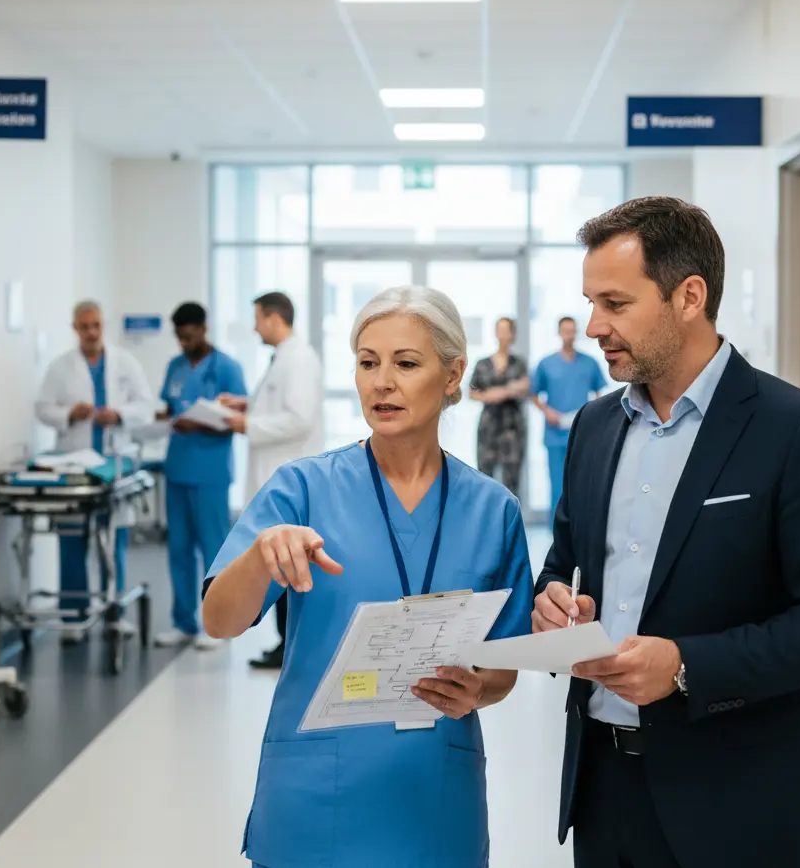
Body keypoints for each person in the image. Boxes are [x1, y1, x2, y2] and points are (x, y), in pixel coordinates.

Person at [533, 197, 800, 868]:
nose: (593, 326)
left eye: (615, 304)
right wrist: (554, 598)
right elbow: (565, 559)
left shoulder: (796, 429)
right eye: (590, 303)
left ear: (689, 297)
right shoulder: (593, 428)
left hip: (742, 806)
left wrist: (683, 667)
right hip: (602, 793)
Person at [202, 286, 533, 868]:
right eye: (367, 362)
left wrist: (478, 689)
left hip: (434, 793)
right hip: (315, 791)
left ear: (454, 374)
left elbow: (503, 665)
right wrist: (259, 557)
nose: (383, 382)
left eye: (406, 364)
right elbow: (220, 620)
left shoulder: (493, 511)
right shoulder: (302, 488)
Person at [35, 300, 155, 642]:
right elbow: (43, 408)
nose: (91, 332)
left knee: (112, 541)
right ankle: (74, 615)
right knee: (71, 542)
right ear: (75, 328)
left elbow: (146, 406)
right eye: (85, 326)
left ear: (103, 326)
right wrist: (70, 413)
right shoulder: (60, 367)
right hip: (77, 463)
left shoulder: (125, 362)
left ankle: (114, 613)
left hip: (113, 463)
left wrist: (118, 415)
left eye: (96, 325)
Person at [219, 292, 323, 671]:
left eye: (258, 318)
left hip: (288, 476)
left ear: (275, 318)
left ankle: (289, 646)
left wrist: (248, 424)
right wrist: (246, 405)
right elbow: (280, 407)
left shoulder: (300, 360)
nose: (254, 327)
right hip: (275, 475)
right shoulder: (283, 358)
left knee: (287, 565)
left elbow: (299, 418)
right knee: (280, 563)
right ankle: (285, 643)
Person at [154, 302, 247, 651]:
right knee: (178, 548)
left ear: (204, 329)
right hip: (176, 469)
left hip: (210, 473)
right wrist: (162, 418)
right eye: (178, 337)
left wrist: (203, 421)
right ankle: (183, 622)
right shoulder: (174, 367)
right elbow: (168, 407)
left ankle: (217, 625)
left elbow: (238, 420)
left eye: (189, 335)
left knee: (215, 550)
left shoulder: (227, 368)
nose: (183, 342)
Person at [531, 316, 606, 520]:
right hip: (555, 434)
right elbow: (533, 392)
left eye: (572, 331)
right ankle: (556, 531)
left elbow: (600, 391)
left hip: (582, 431)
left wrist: (592, 412)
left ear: (576, 332)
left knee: (582, 483)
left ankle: (579, 528)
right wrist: (547, 412)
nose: (569, 335)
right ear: (559, 332)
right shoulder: (546, 364)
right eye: (565, 331)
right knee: (557, 484)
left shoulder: (589, 363)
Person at [469, 317, 529, 497]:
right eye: (500, 329)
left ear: (513, 334)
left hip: (513, 429)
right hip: (488, 428)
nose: (503, 334)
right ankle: (486, 523)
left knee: (512, 481)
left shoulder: (519, 363)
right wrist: (507, 389)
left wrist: (495, 393)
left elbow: (523, 388)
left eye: (507, 330)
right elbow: (472, 392)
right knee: (485, 478)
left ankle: (510, 523)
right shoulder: (483, 364)